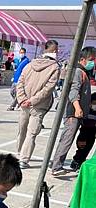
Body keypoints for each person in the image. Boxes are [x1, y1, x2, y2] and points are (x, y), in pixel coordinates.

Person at [51, 47, 96, 176]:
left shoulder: (83, 72)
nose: (92, 62)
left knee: (67, 138)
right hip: (73, 112)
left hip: (78, 112)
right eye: (91, 60)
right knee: (67, 139)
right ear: (82, 59)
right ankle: (56, 166)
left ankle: (56, 163)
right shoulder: (78, 72)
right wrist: (77, 108)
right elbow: (73, 92)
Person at [16, 40, 60, 169]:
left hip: (24, 104)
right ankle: (23, 159)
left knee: (22, 130)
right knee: (31, 133)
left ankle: (19, 153)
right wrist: (32, 100)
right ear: (54, 51)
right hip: (38, 106)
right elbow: (48, 89)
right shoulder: (55, 67)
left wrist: (22, 99)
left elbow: (20, 82)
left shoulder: (30, 64)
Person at [69, 91, 96, 171]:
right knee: (81, 147)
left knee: (88, 147)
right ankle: (76, 161)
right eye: (94, 103)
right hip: (84, 131)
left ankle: (81, 160)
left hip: (92, 132)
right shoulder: (86, 110)